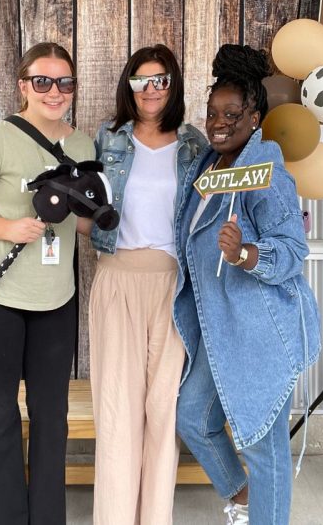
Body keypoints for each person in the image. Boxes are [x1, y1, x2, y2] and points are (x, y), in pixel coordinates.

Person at [172, 45, 321, 525]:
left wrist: (244, 253)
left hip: (259, 330)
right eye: (213, 112)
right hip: (220, 331)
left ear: (254, 117)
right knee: (194, 418)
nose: (219, 122)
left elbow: (293, 252)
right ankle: (243, 499)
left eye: (232, 114)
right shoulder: (207, 167)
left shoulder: (266, 172)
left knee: (262, 444)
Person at [0, 42, 95, 523]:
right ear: (24, 85)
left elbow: (78, 220)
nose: (54, 92)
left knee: (51, 416)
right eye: (43, 81)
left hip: (54, 298)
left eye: (64, 82)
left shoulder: (81, 146)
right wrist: (9, 229)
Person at [89, 44, 207, 524]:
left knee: (163, 410)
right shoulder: (108, 139)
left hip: (173, 285)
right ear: (129, 87)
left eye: (160, 80)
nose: (151, 90)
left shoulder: (195, 144)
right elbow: (88, 207)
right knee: (118, 411)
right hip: (117, 277)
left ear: (173, 85)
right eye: (142, 81)